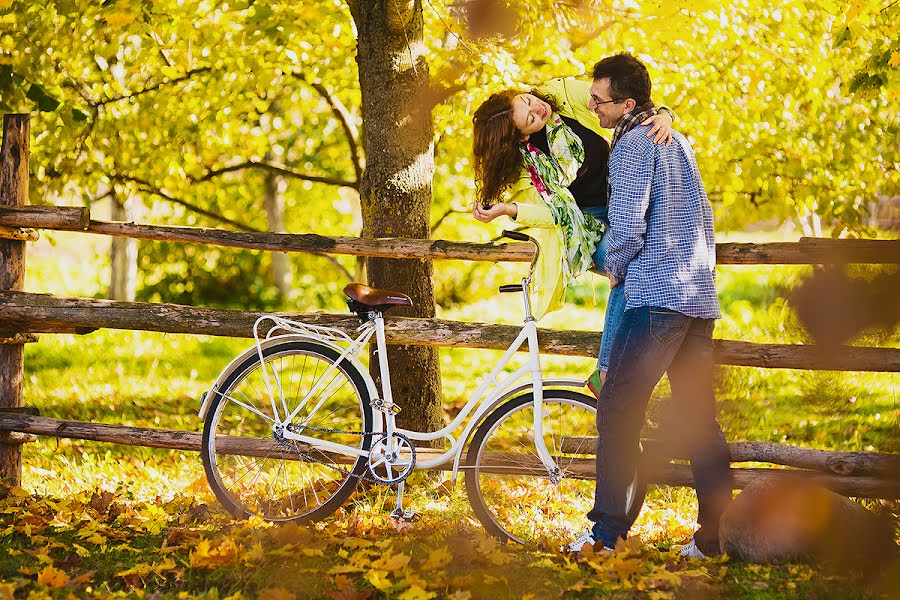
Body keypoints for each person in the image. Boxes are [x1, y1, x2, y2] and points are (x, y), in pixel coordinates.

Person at [566, 53, 733, 559]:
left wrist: (607, 261)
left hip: (656, 297)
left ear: (629, 103)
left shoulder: (637, 144)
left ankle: (606, 535)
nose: (593, 106)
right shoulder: (674, 139)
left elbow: (628, 224)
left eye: (600, 101)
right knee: (699, 417)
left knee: (616, 410)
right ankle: (712, 539)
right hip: (696, 297)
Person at [471, 78, 673, 383]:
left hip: (623, 207)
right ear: (521, 137)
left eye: (527, 100)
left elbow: (624, 100)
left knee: (649, 268)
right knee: (631, 268)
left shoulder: (563, 95)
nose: (537, 108)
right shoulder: (528, 167)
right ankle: (608, 373)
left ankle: (617, 370)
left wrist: (666, 114)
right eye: (530, 118)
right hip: (585, 225)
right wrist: (507, 210)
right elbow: (554, 215)